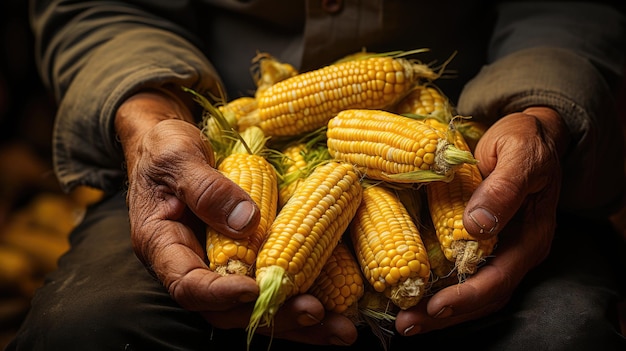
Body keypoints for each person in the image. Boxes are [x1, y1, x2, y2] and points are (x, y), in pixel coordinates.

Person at [6, 0, 626, 350]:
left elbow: (570, 10)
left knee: (562, 336)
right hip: (201, 150)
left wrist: (541, 115)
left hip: (486, 137)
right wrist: (148, 119)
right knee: (81, 329)